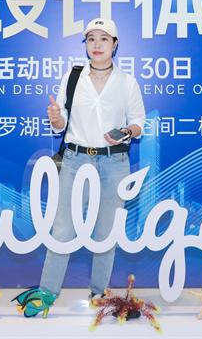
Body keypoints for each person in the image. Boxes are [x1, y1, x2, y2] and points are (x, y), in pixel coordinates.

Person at [40, 17, 146, 300]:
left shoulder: (127, 82)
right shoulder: (73, 77)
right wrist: (56, 117)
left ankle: (99, 296)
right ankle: (46, 295)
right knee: (62, 230)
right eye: (91, 39)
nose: (97, 45)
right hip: (75, 161)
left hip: (114, 163)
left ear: (115, 44)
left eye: (104, 39)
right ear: (85, 44)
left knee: (106, 233)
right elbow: (61, 124)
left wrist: (126, 132)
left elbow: (139, 123)